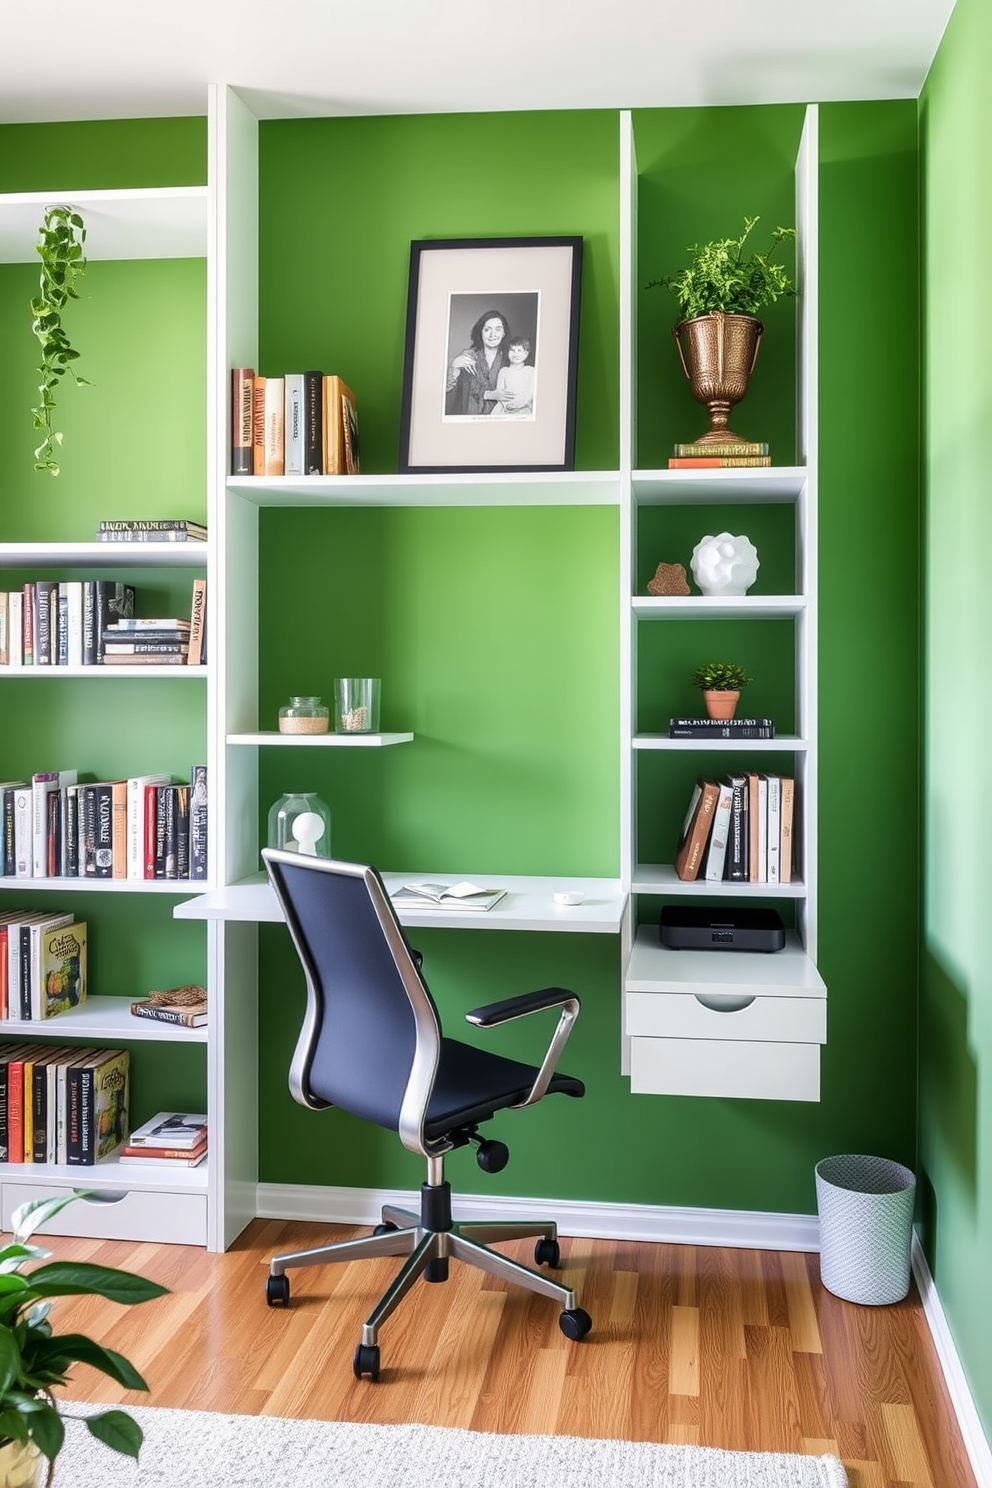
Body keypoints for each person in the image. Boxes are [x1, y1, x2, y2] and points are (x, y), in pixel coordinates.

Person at [445, 309, 511, 415]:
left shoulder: (511, 358)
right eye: (487, 329)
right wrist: (454, 366)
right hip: (470, 417)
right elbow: (447, 391)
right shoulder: (468, 356)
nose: (493, 334)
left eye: (498, 329)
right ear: (480, 333)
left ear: (504, 333)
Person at [485, 335, 535, 418]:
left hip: (523, 407)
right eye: (512, 350)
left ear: (526, 353)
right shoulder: (503, 371)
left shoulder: (531, 371)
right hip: (504, 407)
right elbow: (499, 392)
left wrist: (518, 405)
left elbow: (529, 394)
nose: (516, 353)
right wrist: (506, 405)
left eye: (519, 350)